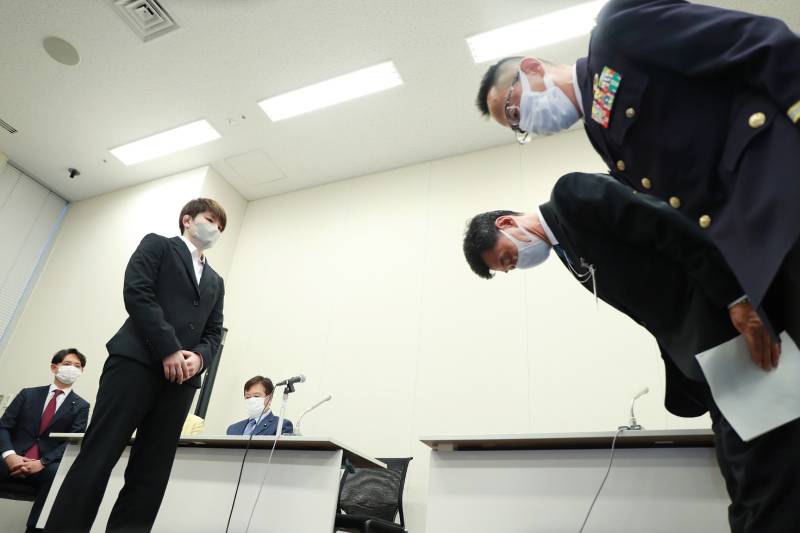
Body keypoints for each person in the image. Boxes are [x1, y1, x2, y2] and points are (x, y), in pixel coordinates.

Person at [463, 172, 796, 533]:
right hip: (708, 364)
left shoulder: (571, 195)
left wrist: (737, 298)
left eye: (507, 256)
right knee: (740, 477)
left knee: (764, 479)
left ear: (507, 223)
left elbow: (673, 227)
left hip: (732, 332)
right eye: (508, 268)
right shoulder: (567, 252)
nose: (516, 265)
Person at [475, 0, 800, 346]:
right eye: (515, 126)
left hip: (781, 182)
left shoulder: (616, 33)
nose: (523, 122)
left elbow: (757, 42)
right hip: (760, 243)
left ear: (532, 68)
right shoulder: (600, 135)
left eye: (513, 110)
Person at [45, 198, 227, 533]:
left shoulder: (216, 281)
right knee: (98, 456)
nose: (215, 228)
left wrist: (199, 357)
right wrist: (169, 348)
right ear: (187, 220)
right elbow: (138, 293)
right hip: (136, 364)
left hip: (181, 383)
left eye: (220, 225)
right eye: (209, 219)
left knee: (151, 472)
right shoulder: (158, 245)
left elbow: (214, 332)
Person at [0, 349, 90, 533]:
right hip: (10, 459)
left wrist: (42, 462)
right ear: (54, 367)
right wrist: (10, 456)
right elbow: (3, 427)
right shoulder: (28, 394)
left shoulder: (81, 406)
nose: (72, 368)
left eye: (77, 366)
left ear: (82, 372)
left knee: (59, 474)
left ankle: (34, 530)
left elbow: (72, 441)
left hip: (44, 466)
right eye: (67, 364)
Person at [226, 376, 293, 436]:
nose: (251, 400)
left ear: (270, 398)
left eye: (256, 396)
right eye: (248, 397)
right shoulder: (233, 429)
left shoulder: (281, 425)